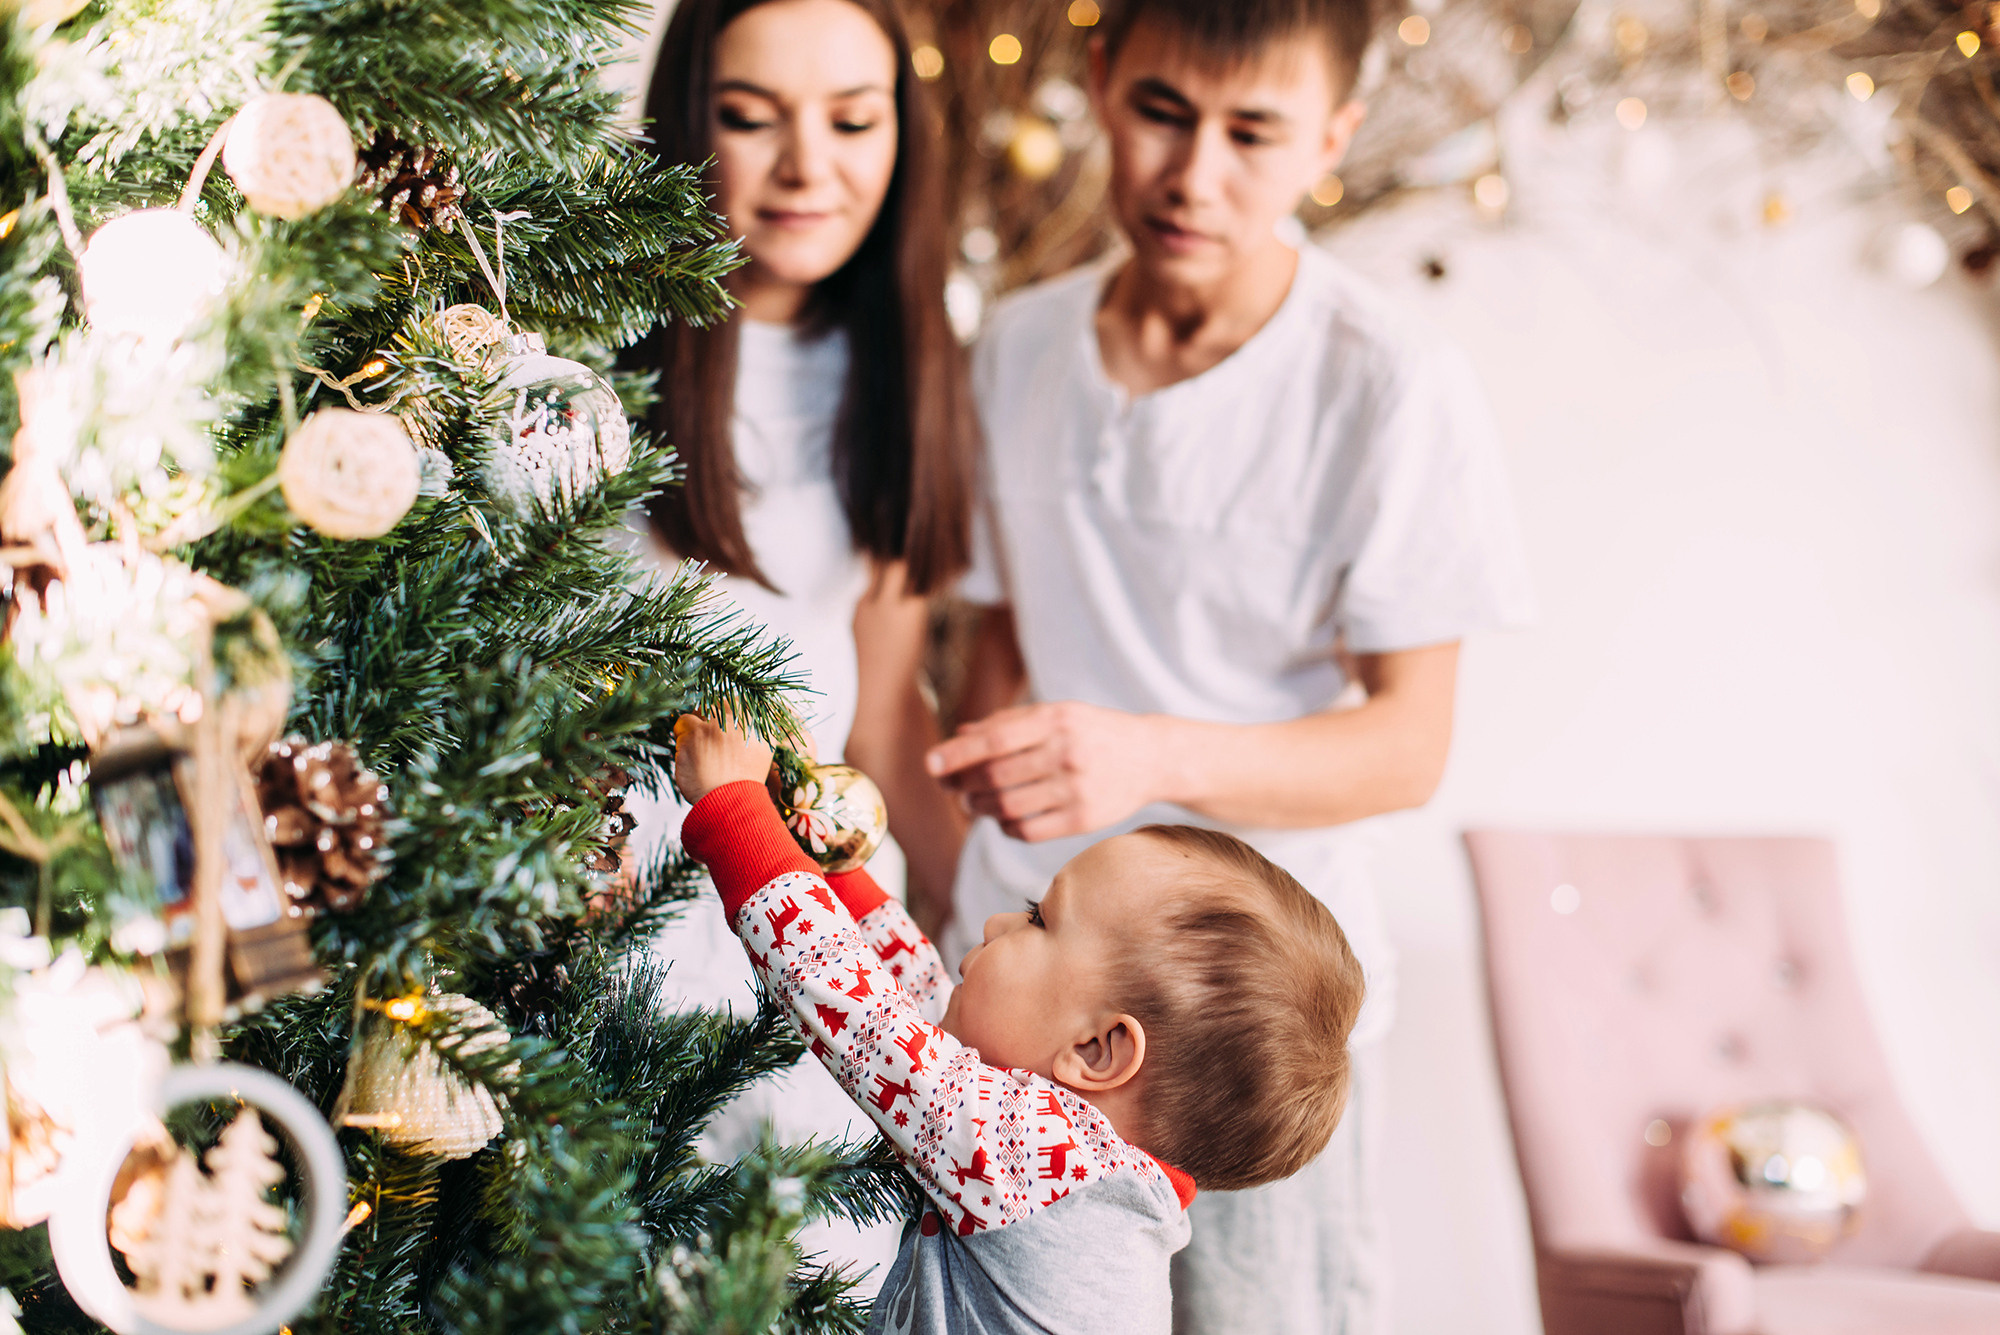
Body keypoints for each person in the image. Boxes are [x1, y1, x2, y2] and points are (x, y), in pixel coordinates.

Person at [923, 0, 1537, 1330]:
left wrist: (1147, 753)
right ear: (1100, 82)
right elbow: (1003, 638)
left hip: (1234, 1032)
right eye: (1162, 112)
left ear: (1332, 136)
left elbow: (1408, 744)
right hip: (1014, 1003)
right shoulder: (1018, 345)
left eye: (1253, 133)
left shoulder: (1388, 384)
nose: (1193, 175)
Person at [621, 0, 972, 1288]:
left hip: (806, 934)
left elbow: (880, 715)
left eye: (852, 121)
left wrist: (992, 956)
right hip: (613, 906)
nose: (806, 166)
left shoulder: (908, 368)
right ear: (685, 120)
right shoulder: (587, 350)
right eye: (748, 118)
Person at [671, 712, 1366, 1335]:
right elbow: (915, 1006)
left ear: (1097, 1050)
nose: (998, 922)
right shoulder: (1082, 1175)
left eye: (1038, 918)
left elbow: (863, 1019)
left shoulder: (1049, 1163)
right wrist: (814, 846)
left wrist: (736, 810)